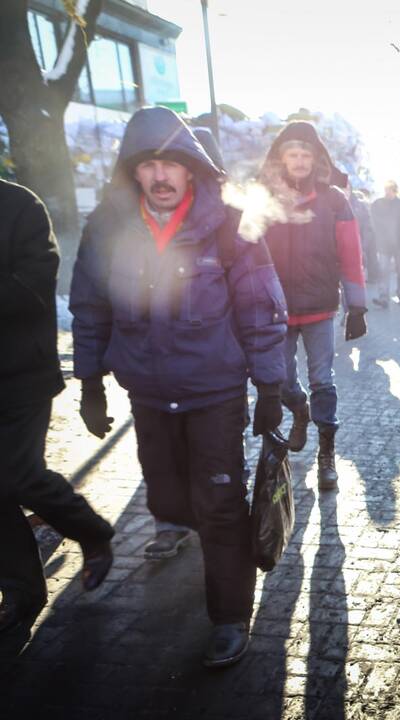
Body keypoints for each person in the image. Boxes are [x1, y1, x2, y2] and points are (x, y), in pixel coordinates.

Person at [70, 107, 288, 667]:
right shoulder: (106, 228)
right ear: (133, 173)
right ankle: (209, 538)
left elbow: (261, 309)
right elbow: (91, 307)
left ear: (192, 170)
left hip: (214, 394)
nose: (161, 176)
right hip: (147, 395)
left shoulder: (230, 223)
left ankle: (230, 616)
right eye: (148, 165)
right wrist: (90, 381)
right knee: (167, 499)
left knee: (218, 505)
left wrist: (269, 387)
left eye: (172, 164)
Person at [0, 179, 115, 659]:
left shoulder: (20, 204)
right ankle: (22, 593)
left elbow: (34, 285)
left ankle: (92, 531)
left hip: (20, 374)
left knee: (17, 473)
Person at [258, 121, 368, 490]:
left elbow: (351, 255)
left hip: (321, 307)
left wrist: (357, 307)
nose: (300, 161)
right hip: (277, 309)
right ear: (281, 158)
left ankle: (327, 454)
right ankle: (299, 410)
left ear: (316, 157)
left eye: (306, 154)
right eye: (293, 154)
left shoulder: (335, 199)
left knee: (323, 379)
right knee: (281, 380)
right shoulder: (264, 196)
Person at [140, 124, 230, 563]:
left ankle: (207, 525)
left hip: (212, 370)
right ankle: (170, 523)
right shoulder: (136, 222)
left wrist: (270, 380)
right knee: (161, 456)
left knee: (210, 462)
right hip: (156, 373)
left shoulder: (229, 220)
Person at [371, 180, 400, 305]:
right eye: (386, 189)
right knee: (383, 270)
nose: (387, 192)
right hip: (384, 244)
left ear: (395, 190)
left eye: (390, 189)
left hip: (399, 244)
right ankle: (383, 297)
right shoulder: (377, 204)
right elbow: (374, 222)